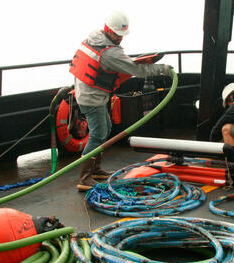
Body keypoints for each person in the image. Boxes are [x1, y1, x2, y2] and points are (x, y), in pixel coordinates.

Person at [70, 10, 173, 191]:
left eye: (122, 35)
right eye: (118, 35)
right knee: (98, 135)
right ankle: (84, 178)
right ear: (108, 30)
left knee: (106, 129)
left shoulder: (95, 39)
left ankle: (95, 170)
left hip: (91, 94)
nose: (120, 39)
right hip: (91, 98)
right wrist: (162, 69)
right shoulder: (110, 54)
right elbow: (137, 70)